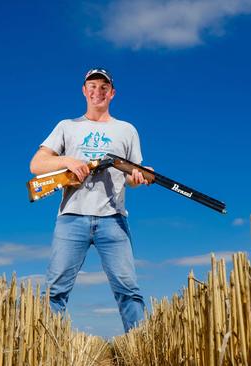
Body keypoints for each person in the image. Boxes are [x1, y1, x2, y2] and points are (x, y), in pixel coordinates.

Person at [29, 68, 150, 332]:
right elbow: (36, 165)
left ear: (112, 93)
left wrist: (139, 178)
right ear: (84, 91)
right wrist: (67, 160)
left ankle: (142, 349)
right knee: (54, 291)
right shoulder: (67, 126)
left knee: (129, 290)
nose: (98, 92)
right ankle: (46, 352)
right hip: (72, 217)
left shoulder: (127, 130)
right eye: (92, 86)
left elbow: (131, 176)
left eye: (104, 87)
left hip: (113, 219)